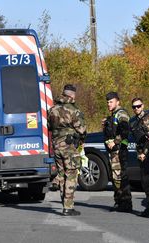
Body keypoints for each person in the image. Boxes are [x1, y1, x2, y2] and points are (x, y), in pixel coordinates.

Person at [48, 84, 86, 216]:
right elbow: (82, 130)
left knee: (62, 174)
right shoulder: (73, 110)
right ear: (72, 95)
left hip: (56, 145)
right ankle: (68, 207)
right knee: (71, 174)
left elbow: (49, 127)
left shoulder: (52, 109)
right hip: (69, 147)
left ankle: (64, 204)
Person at [129, 98, 149, 218]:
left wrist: (144, 153)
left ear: (143, 106)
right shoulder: (135, 121)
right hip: (142, 154)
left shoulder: (148, 118)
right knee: (145, 181)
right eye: (134, 107)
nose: (136, 108)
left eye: (138, 106)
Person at [103, 92, 132, 212]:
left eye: (111, 102)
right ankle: (119, 202)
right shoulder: (114, 114)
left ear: (118, 102)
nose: (109, 104)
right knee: (115, 177)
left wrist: (115, 141)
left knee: (120, 177)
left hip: (119, 151)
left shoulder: (121, 114)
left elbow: (125, 131)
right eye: (108, 102)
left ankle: (125, 203)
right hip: (114, 152)